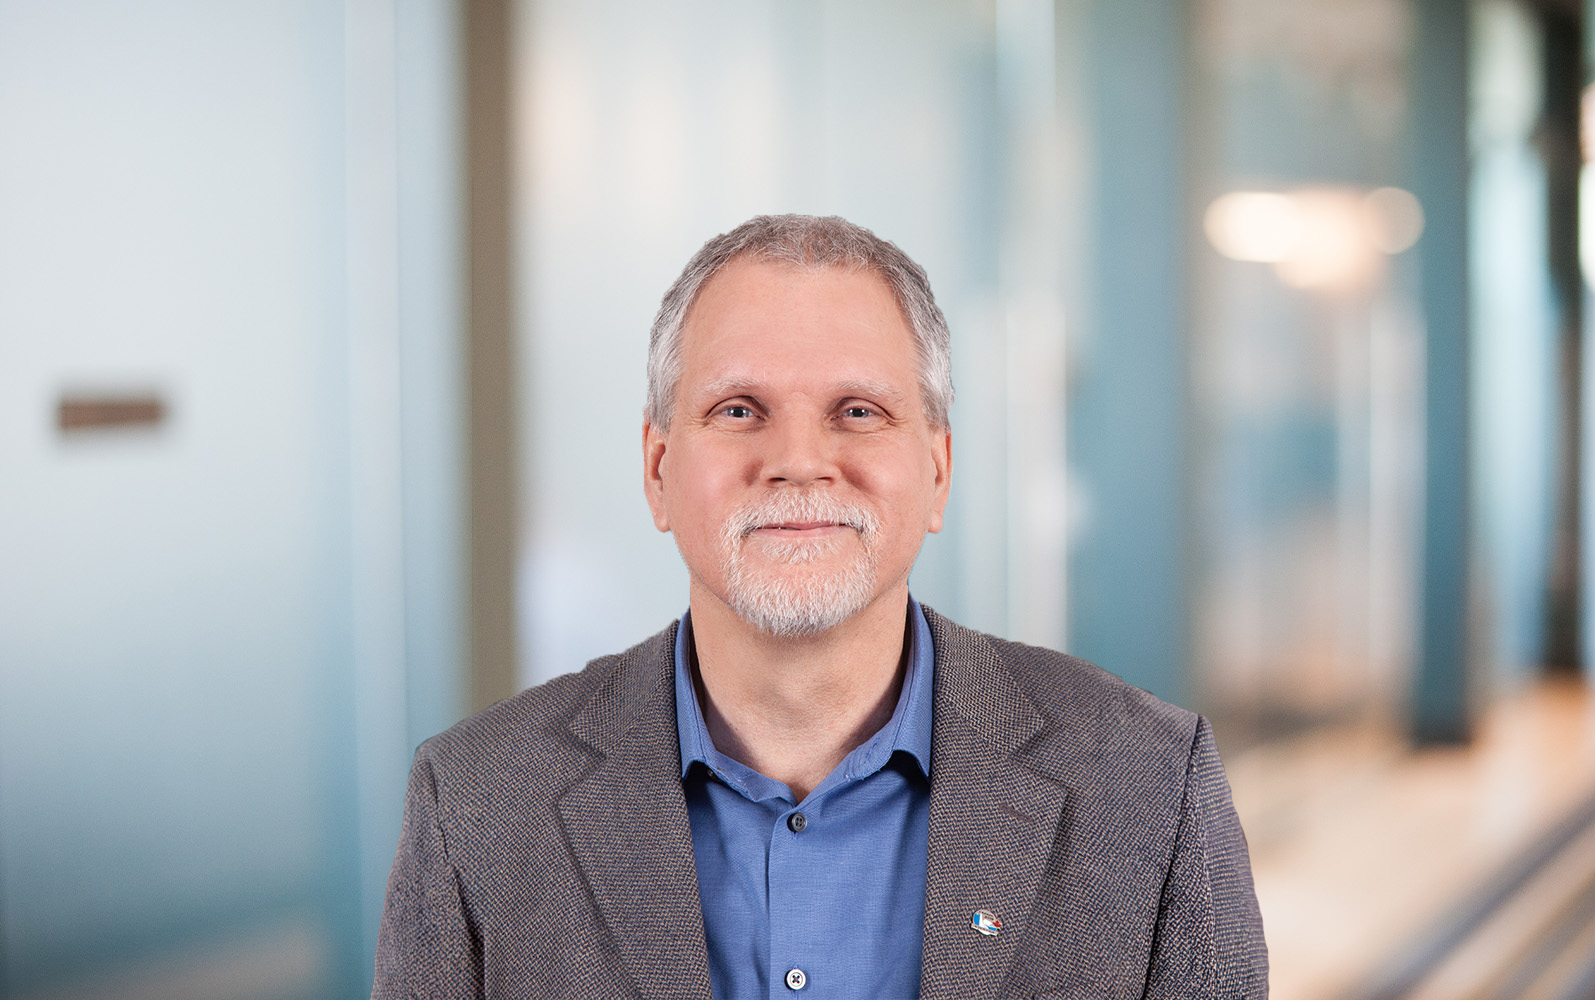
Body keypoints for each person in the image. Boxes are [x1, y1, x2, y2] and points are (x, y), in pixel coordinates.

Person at [372, 214, 1267, 999]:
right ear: (656, 471)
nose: (799, 459)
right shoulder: (479, 799)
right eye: (737, 409)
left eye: (857, 410)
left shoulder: (1149, 786)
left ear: (937, 471)